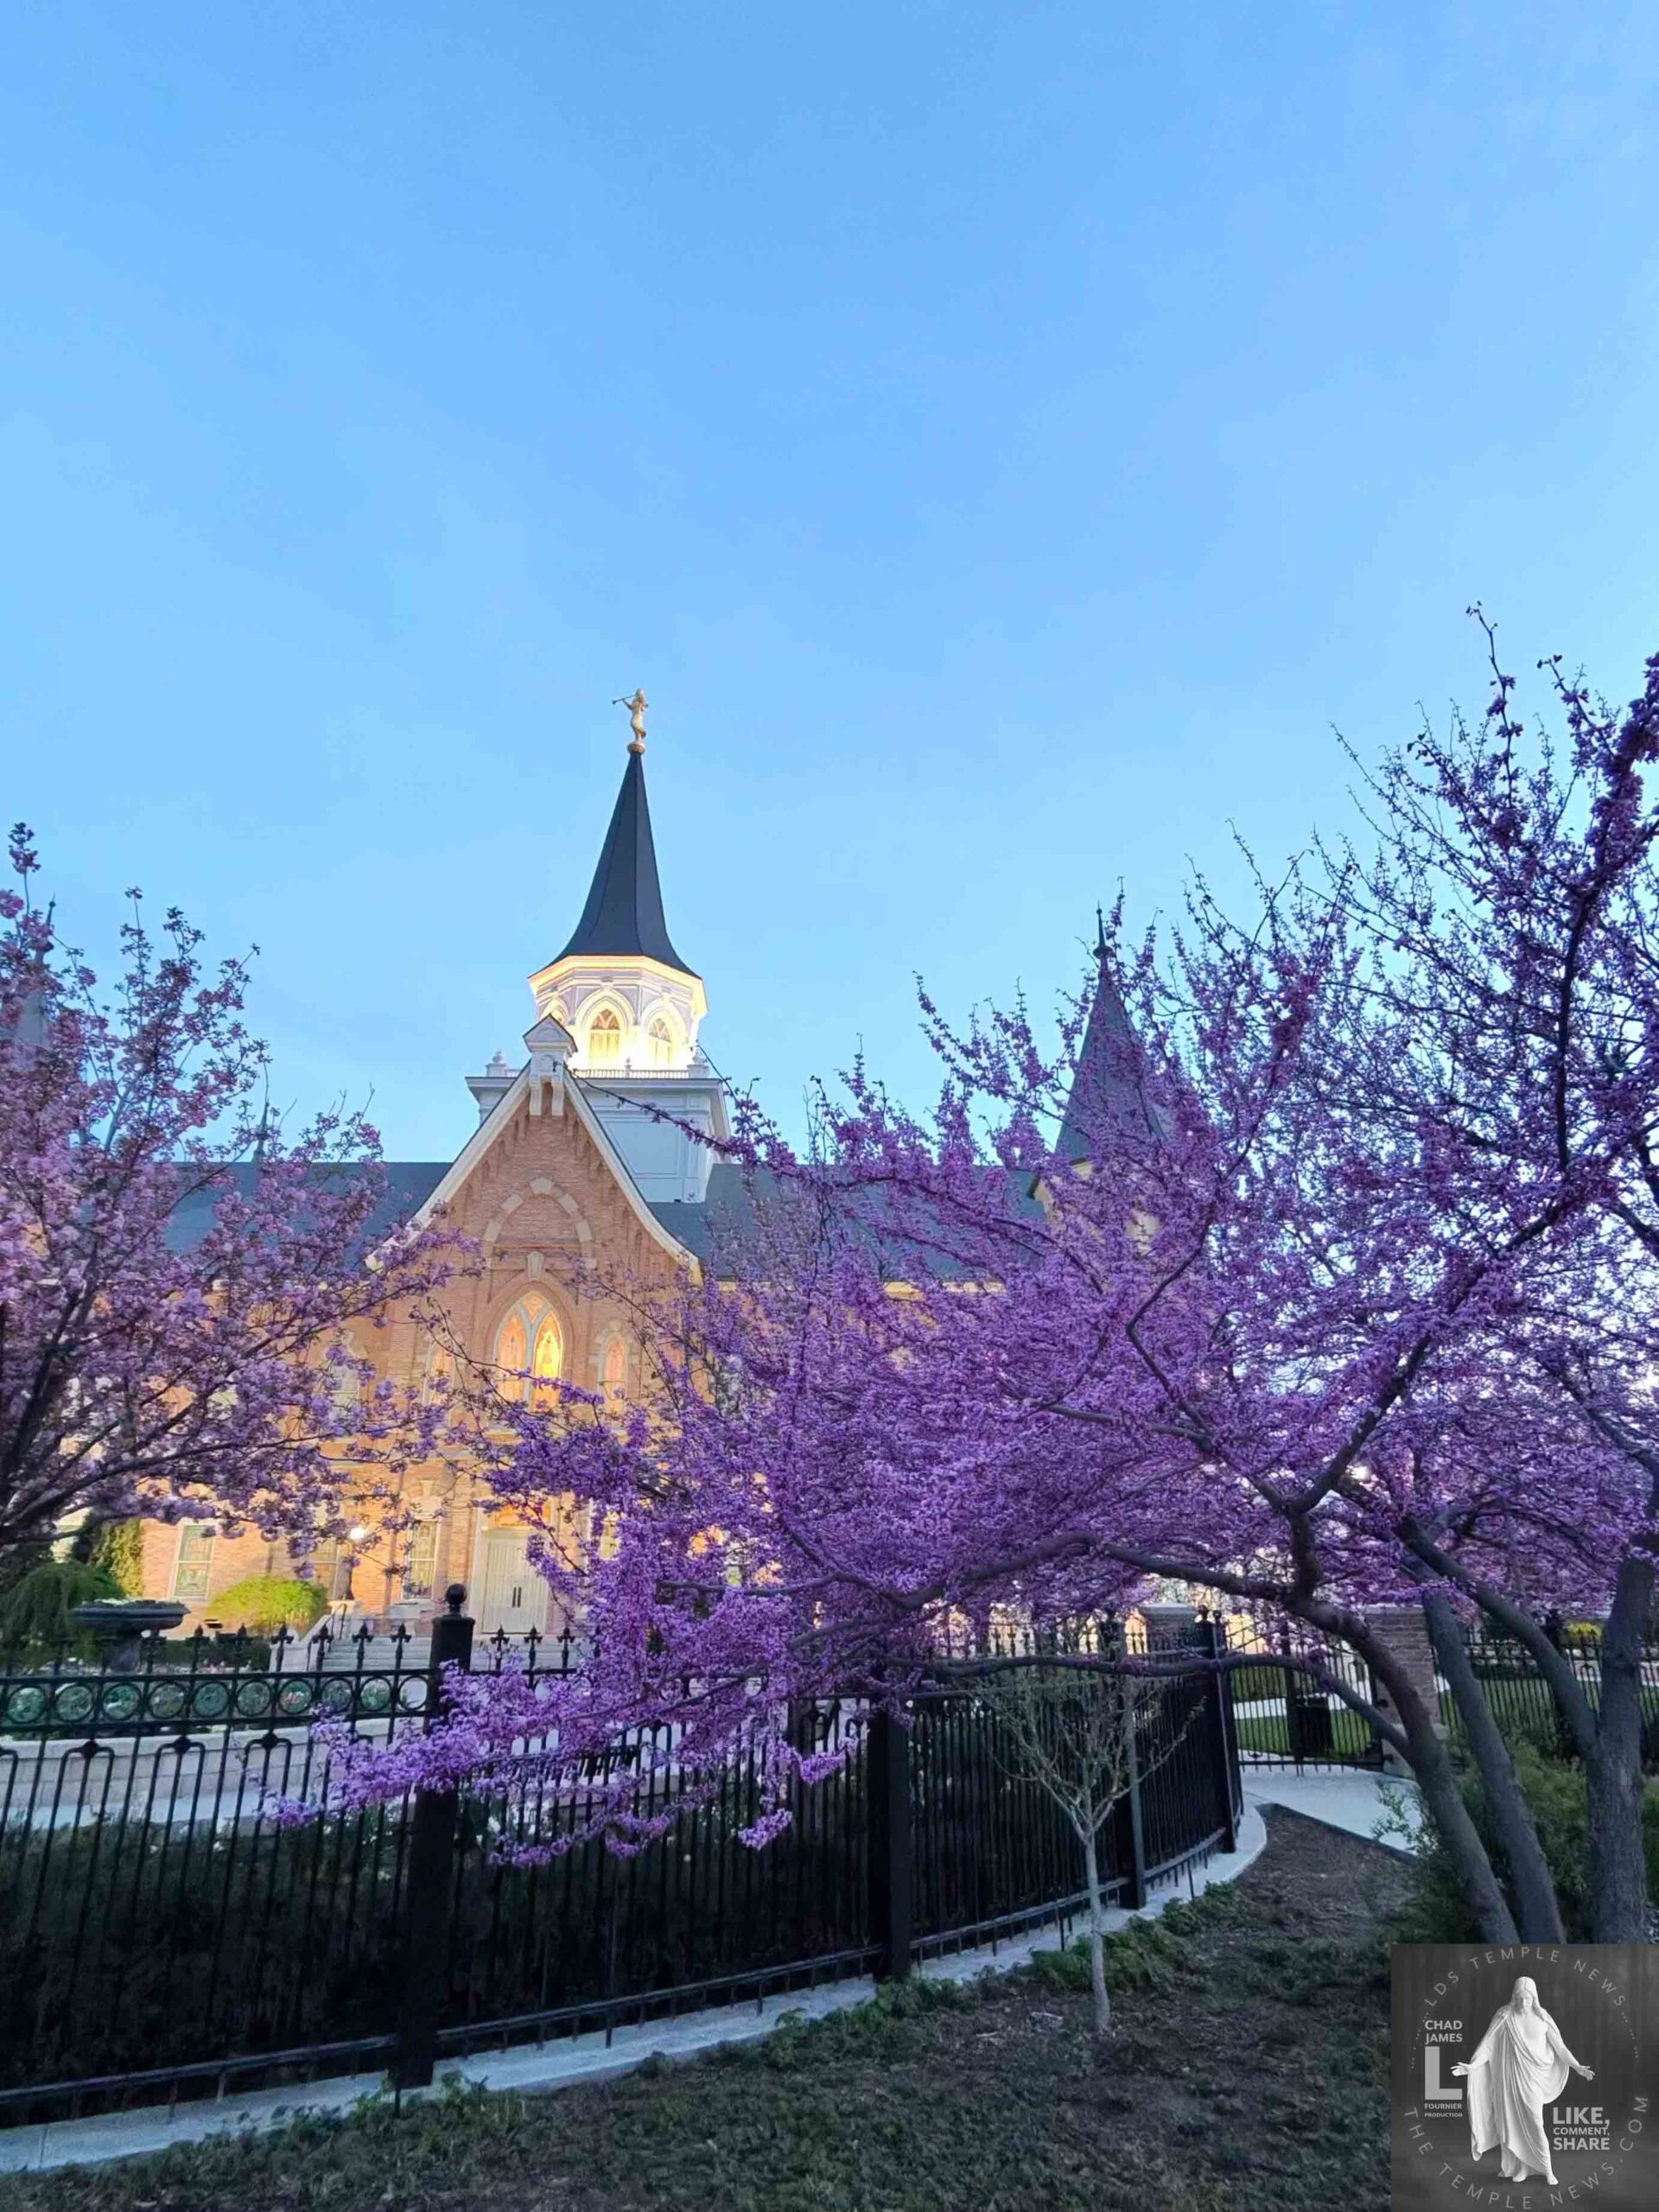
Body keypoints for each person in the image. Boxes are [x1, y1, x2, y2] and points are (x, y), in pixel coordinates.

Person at [1452, 1975, 1594, 2187]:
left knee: (1536, 2123)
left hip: (1533, 2079)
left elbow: (1560, 2048)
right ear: (1514, 1997)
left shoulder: (1543, 2018)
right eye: (1520, 1998)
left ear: (1534, 1998)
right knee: (1512, 2124)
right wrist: (1472, 2067)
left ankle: (1547, 2170)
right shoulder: (1504, 2016)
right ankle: (1521, 2168)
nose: (1524, 2003)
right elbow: (1488, 2046)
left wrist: (1577, 2066)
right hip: (1510, 2080)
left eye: (1528, 1999)